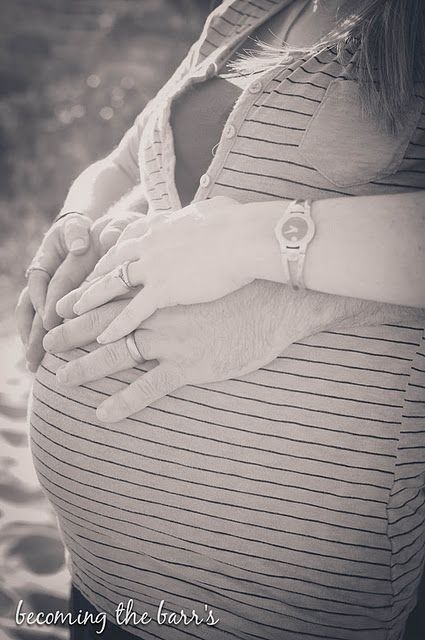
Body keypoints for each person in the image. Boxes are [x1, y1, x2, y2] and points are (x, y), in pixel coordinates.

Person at [18, 1, 425, 638]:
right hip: (100, 586)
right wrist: (72, 224)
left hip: (273, 606)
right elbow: (125, 163)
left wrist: (254, 248)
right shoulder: (250, 12)